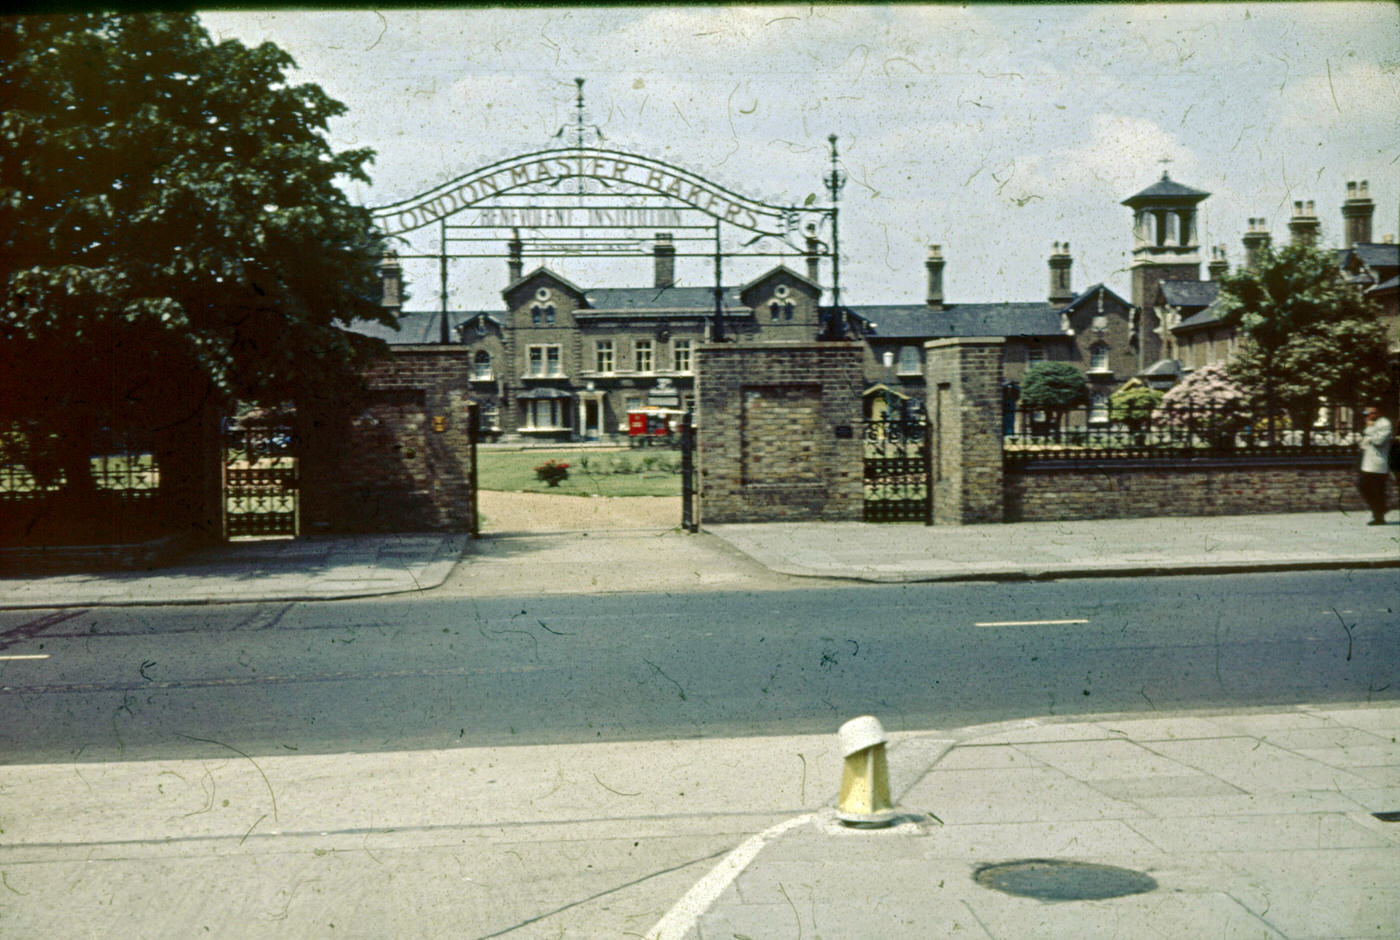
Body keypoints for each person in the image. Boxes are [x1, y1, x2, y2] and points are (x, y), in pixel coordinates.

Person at [1356, 404, 1393, 525]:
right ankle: (1380, 509)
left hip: (1378, 463)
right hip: (1368, 462)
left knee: (1377, 489)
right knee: (1363, 486)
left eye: (1373, 413)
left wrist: (1369, 428)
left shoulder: (1385, 423)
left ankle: (1379, 515)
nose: (1370, 415)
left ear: (1380, 412)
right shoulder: (1374, 423)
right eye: (1369, 413)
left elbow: (1378, 441)